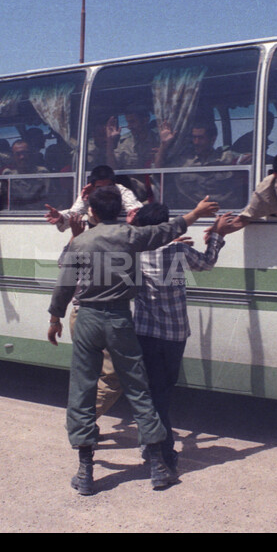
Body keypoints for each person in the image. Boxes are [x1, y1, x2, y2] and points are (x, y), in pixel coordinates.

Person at [47, 187, 219, 495]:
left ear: (94, 213)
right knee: (140, 390)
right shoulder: (130, 237)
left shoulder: (82, 241)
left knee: (83, 388)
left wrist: (55, 318)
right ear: (118, 211)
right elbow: (165, 231)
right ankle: (158, 467)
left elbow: (64, 284)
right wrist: (193, 215)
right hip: (120, 320)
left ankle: (85, 472)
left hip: (88, 319)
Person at [131, 203, 236, 475]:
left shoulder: (133, 253)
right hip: (175, 336)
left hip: (144, 334)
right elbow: (207, 261)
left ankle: (156, 449)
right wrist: (218, 235)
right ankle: (160, 451)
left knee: (153, 395)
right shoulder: (178, 250)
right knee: (162, 393)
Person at [161, 114, 246, 209]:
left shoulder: (227, 158)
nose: (196, 142)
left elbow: (250, 160)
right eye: (194, 138)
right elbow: (158, 170)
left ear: (212, 139)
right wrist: (164, 145)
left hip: (224, 214)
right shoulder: (182, 161)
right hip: (190, 217)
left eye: (201, 138)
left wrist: (248, 158)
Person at [44, 164, 141, 232]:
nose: (104, 191)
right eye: (99, 187)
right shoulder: (88, 194)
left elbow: (137, 211)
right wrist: (61, 218)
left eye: (108, 186)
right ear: (93, 186)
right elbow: (74, 214)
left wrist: (134, 218)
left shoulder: (122, 191)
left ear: (114, 184)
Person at [1, 139, 48, 210]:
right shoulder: (8, 174)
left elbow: (50, 197)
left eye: (25, 153)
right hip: (15, 215)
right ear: (13, 156)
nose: (22, 157)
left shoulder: (42, 173)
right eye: (18, 154)